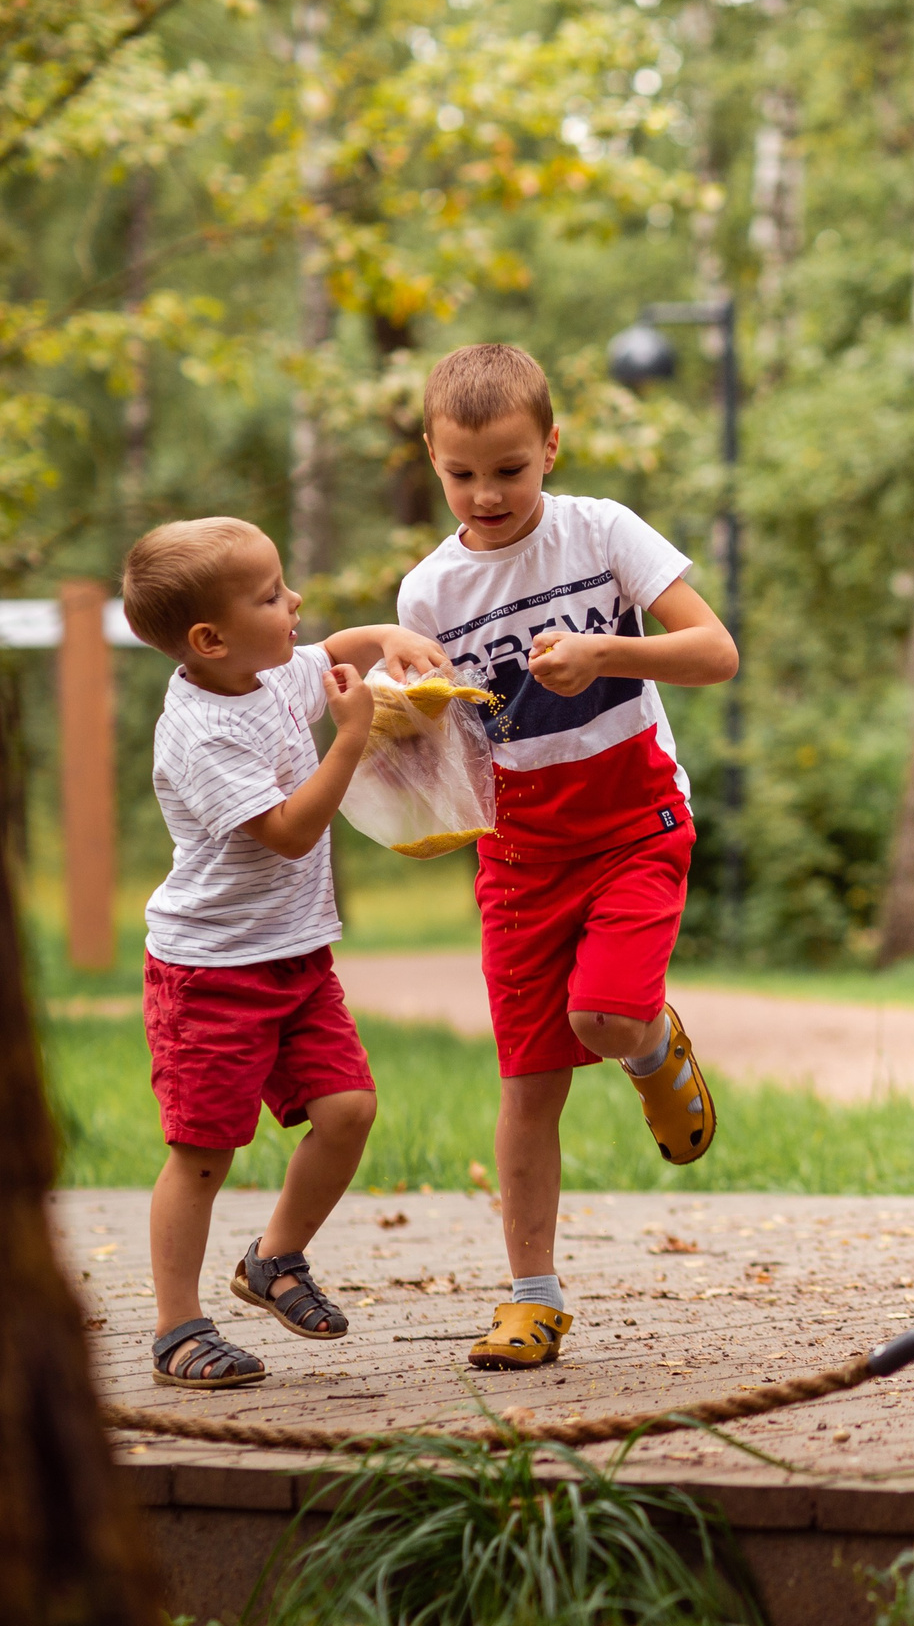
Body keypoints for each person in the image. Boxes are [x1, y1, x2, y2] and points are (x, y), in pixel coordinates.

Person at [399, 343, 737, 1371]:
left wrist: (608, 651)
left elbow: (715, 651)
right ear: (432, 459)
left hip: (634, 823)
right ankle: (531, 1299)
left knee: (603, 1017)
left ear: (550, 445)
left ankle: (651, 1048)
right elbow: (449, 749)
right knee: (529, 1082)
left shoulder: (601, 532)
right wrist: (389, 731)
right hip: (519, 858)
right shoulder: (428, 595)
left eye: (510, 467)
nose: (488, 492)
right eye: (464, 473)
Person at [125, 517, 448, 1389]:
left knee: (347, 1111)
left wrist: (388, 636)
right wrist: (349, 738)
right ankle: (176, 1327)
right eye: (271, 594)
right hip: (211, 973)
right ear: (209, 638)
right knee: (203, 1150)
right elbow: (288, 834)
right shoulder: (200, 731)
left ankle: (273, 1259)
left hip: (296, 960)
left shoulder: (265, 671)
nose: (294, 600)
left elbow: (335, 652)